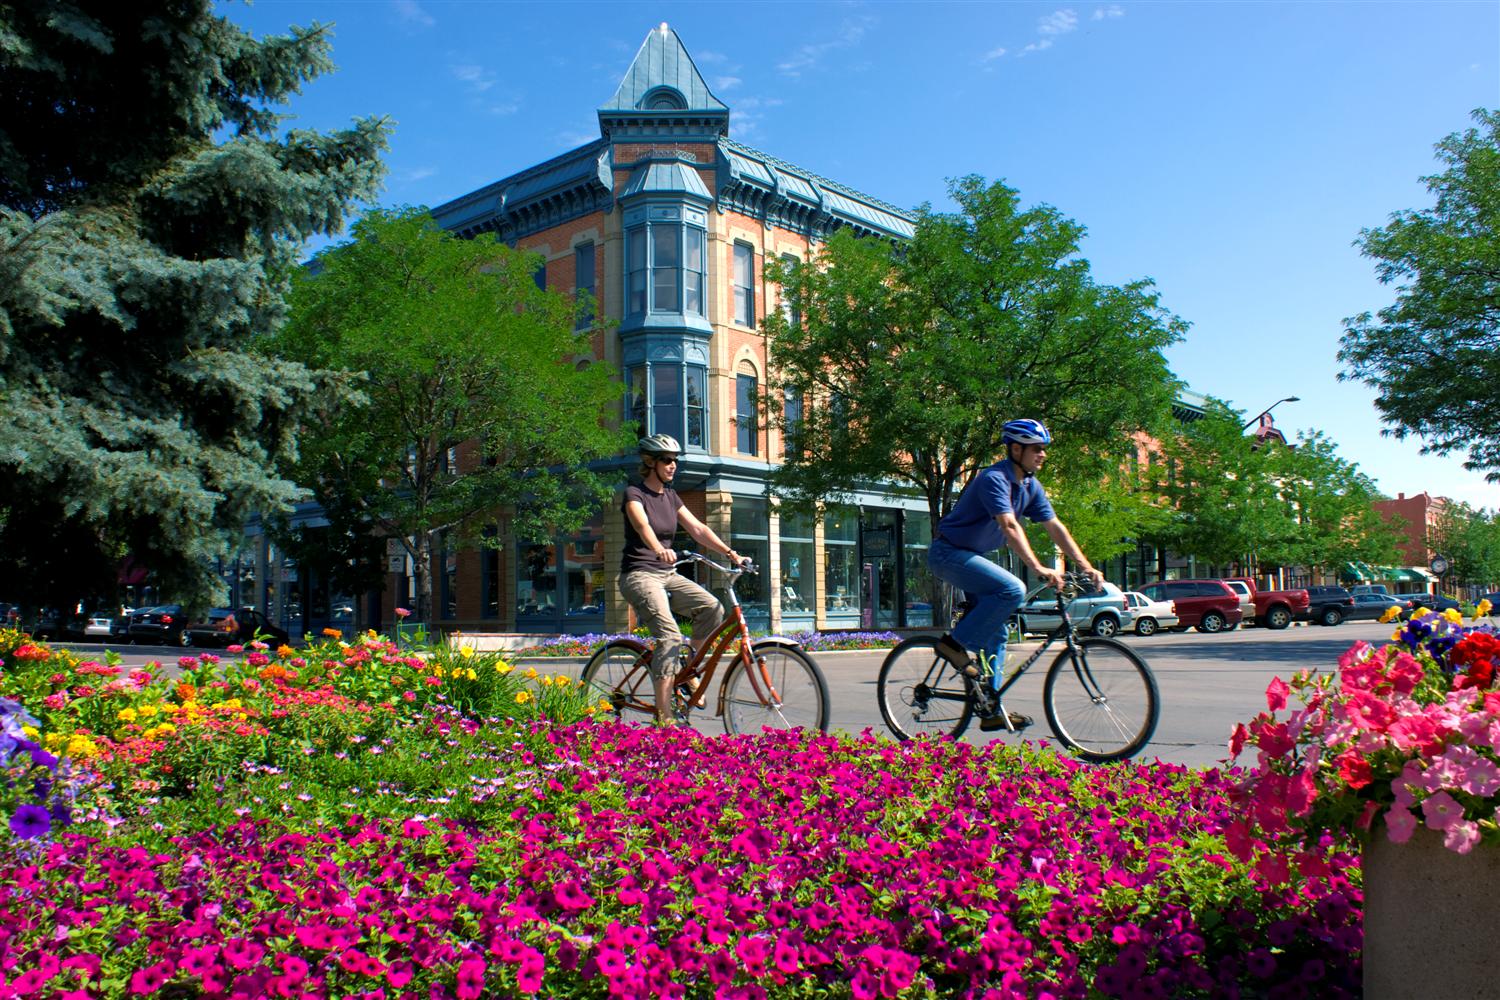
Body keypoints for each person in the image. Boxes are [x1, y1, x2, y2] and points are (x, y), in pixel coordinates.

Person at [927, 418, 1104, 731]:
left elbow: (1055, 527)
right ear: (1016, 449)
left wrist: (1085, 564)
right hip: (948, 553)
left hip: (971, 556)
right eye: (1037, 449)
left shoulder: (1030, 486)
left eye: (1043, 449)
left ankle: (989, 707)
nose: (1043, 455)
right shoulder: (993, 479)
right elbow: (1008, 526)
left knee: (998, 632)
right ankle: (953, 645)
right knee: (1012, 589)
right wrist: (1037, 567)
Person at [618, 433, 747, 725]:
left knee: (712, 608)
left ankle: (688, 671)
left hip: (667, 574)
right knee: (670, 636)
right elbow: (642, 525)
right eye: (667, 460)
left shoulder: (671, 496)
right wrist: (658, 549)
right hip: (639, 575)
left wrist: (731, 554)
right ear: (651, 462)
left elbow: (699, 529)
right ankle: (664, 718)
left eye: (675, 460)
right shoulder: (634, 494)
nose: (673, 465)